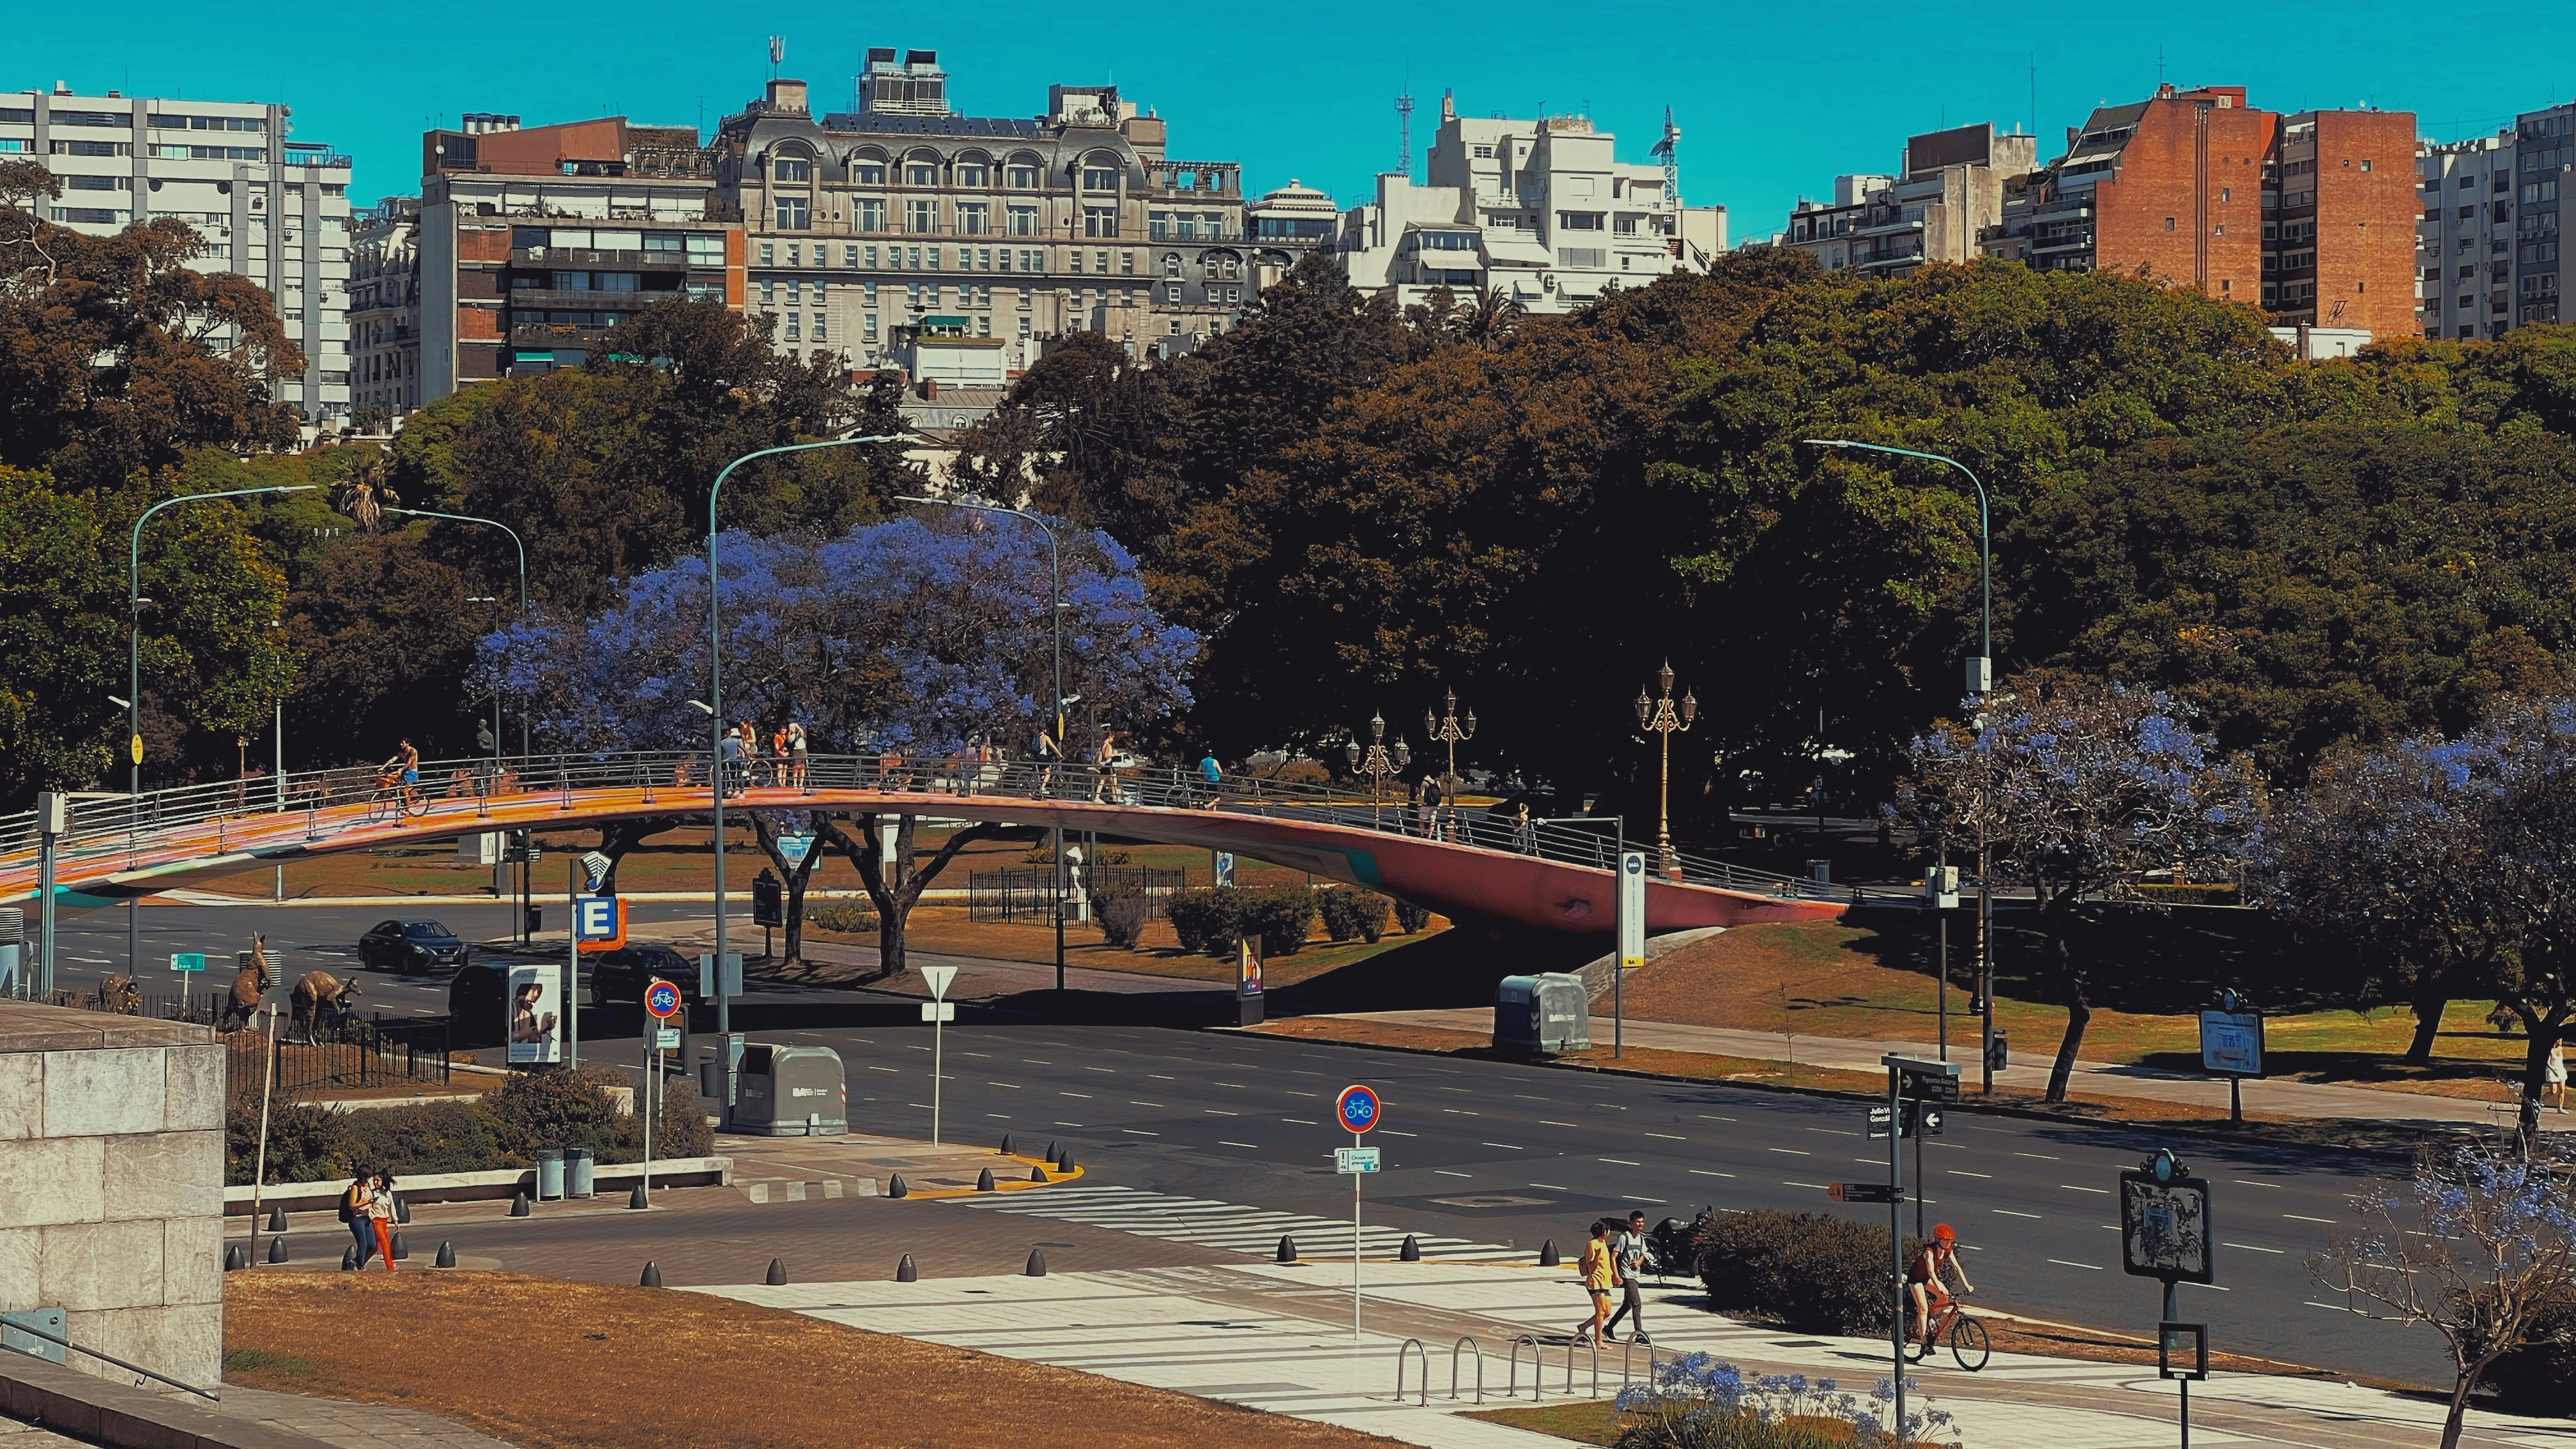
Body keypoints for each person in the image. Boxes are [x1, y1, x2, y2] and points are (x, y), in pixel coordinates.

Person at [1907, 1223, 1975, 1351]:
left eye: (1950, 1240)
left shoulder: (1948, 1250)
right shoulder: (1929, 1252)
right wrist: (1938, 1286)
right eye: (1945, 1240)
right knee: (1923, 1308)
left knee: (1945, 1296)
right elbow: (1931, 1272)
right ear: (1938, 1240)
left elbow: (1957, 1267)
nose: (1948, 1242)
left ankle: (1929, 1319)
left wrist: (1967, 1285)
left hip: (1927, 1279)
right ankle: (1924, 1344)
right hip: (1916, 1279)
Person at [1603, 1209, 1652, 1344]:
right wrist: (1616, 1275)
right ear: (1631, 1223)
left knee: (1627, 1305)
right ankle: (1639, 1334)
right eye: (1637, 1222)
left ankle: (1608, 1328)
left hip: (1635, 1275)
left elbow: (1643, 1254)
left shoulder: (1641, 1238)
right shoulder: (1625, 1237)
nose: (1640, 1224)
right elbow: (1613, 1256)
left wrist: (1639, 1262)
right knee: (1637, 1303)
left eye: (1642, 1221)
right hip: (1627, 1274)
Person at [1573, 1218, 1615, 1349]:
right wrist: (1596, 1257)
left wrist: (1613, 1276)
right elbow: (1590, 1263)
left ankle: (1583, 1327)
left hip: (1605, 1282)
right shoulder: (1593, 1244)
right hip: (1595, 1282)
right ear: (1604, 1232)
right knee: (1600, 1312)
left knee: (1607, 1312)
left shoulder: (1602, 1243)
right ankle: (1598, 1341)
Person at [362, 1170, 399, 1271]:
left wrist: (396, 1220)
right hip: (376, 1221)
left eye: (378, 1180)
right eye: (374, 1180)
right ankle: (390, 1266)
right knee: (385, 1243)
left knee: (377, 1246)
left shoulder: (387, 1194)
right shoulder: (372, 1193)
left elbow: (392, 1207)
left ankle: (361, 1262)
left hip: (384, 1221)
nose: (375, 1182)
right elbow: (368, 1207)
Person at [339, 1165, 376, 1265]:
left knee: (372, 1244)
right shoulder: (355, 1187)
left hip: (367, 1217)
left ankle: (356, 1262)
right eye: (367, 1177)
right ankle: (359, 1265)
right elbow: (352, 1205)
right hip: (357, 1219)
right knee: (363, 1243)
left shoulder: (368, 1185)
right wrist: (367, 1202)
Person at [2547, 1038, 2568, 1113]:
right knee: (2553, 1091)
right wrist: (2553, 1071)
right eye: (2559, 1040)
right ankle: (2541, 1100)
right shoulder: (2551, 1050)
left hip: (2561, 1071)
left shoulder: (2561, 1049)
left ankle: (2560, 1108)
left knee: (2562, 1089)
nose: (2560, 1041)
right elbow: (2548, 1063)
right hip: (2552, 1071)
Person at [788, 721, 809, 789]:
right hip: (796, 752)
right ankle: (795, 783)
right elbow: (789, 740)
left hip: (802, 751)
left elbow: (802, 733)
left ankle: (801, 784)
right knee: (796, 768)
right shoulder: (793, 735)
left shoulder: (801, 732)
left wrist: (797, 726)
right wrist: (790, 732)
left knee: (802, 767)